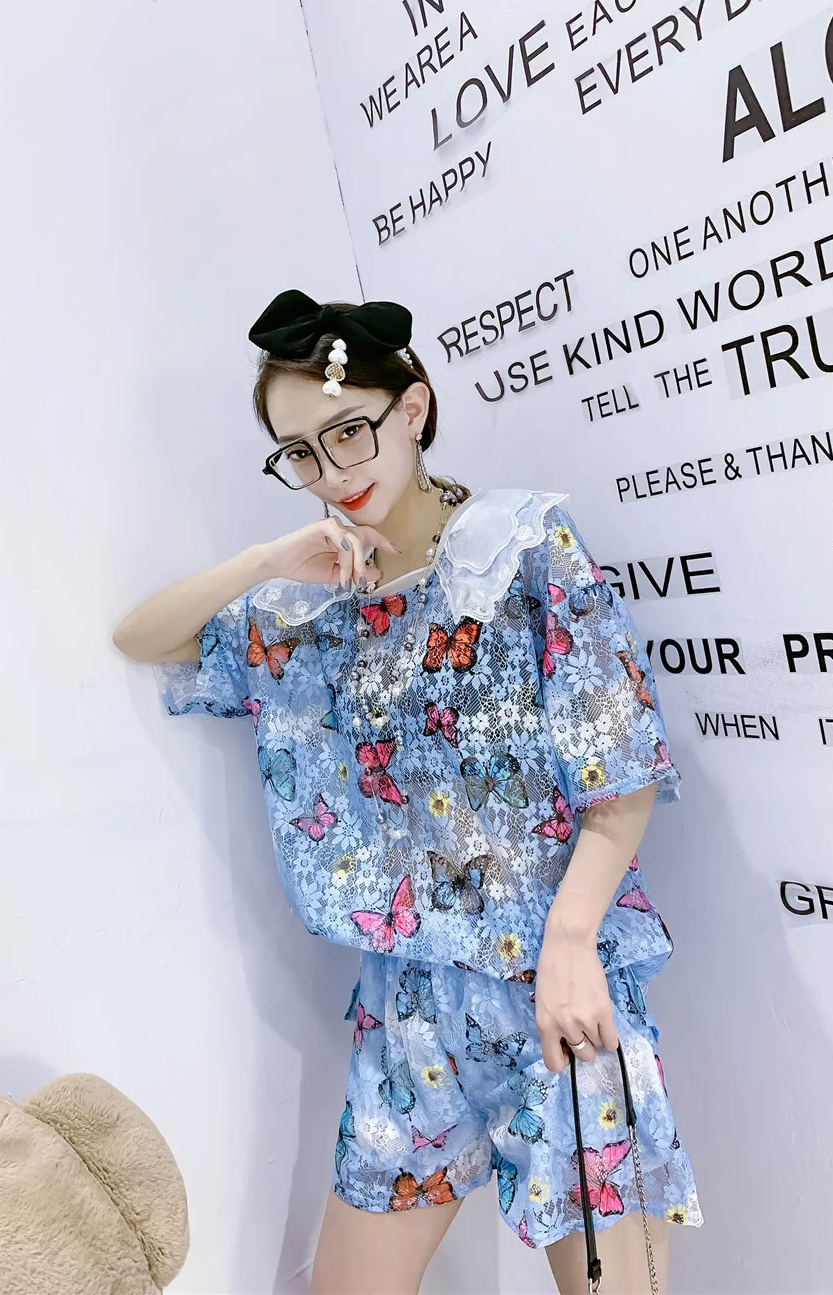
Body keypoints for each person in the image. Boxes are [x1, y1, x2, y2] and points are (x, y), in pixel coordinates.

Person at [113, 289, 703, 1295]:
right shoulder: (313, 610)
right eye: (300, 453)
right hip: (408, 1015)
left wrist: (570, 944)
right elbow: (145, 638)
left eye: (349, 431)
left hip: (555, 992)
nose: (332, 472)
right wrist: (267, 558)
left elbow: (622, 771)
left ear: (414, 407)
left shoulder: (524, 548)